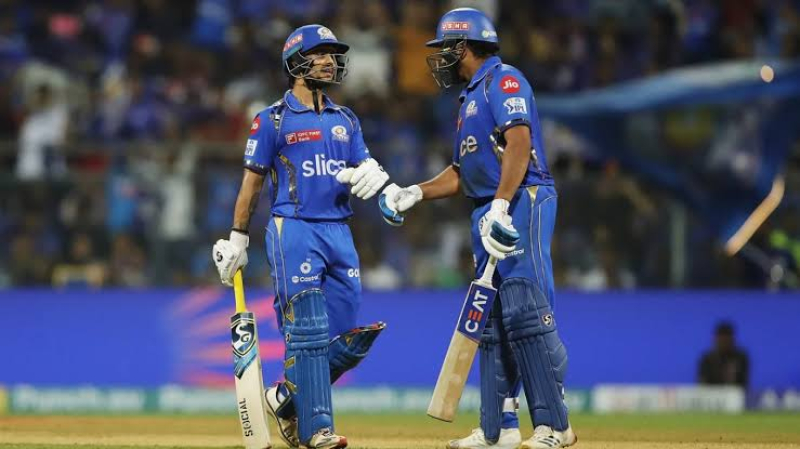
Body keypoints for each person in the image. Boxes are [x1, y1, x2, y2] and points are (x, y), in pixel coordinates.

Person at [379, 8, 577, 449]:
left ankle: (555, 425)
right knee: (491, 321)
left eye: (445, 49)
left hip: (522, 198)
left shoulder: (503, 81)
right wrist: (414, 192)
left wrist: (503, 205)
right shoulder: (468, 98)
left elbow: (519, 143)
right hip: (486, 207)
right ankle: (498, 429)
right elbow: (460, 171)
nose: (440, 59)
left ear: (464, 46)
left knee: (526, 312)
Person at [212, 24, 389, 449]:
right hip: (294, 228)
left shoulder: (346, 119)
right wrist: (238, 237)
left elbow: (365, 166)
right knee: (308, 330)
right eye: (319, 53)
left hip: (339, 230)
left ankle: (285, 399)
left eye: (332, 54)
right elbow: (252, 183)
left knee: (349, 339)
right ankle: (317, 430)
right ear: (295, 63)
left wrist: (376, 178)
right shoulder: (272, 119)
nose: (329, 61)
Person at [698, 321, 749, 388]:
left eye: (726, 340)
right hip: (711, 393)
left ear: (732, 340)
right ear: (716, 339)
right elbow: (702, 384)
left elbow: (743, 385)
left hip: (734, 392)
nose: (724, 343)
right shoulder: (707, 359)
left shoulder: (741, 358)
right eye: (721, 340)